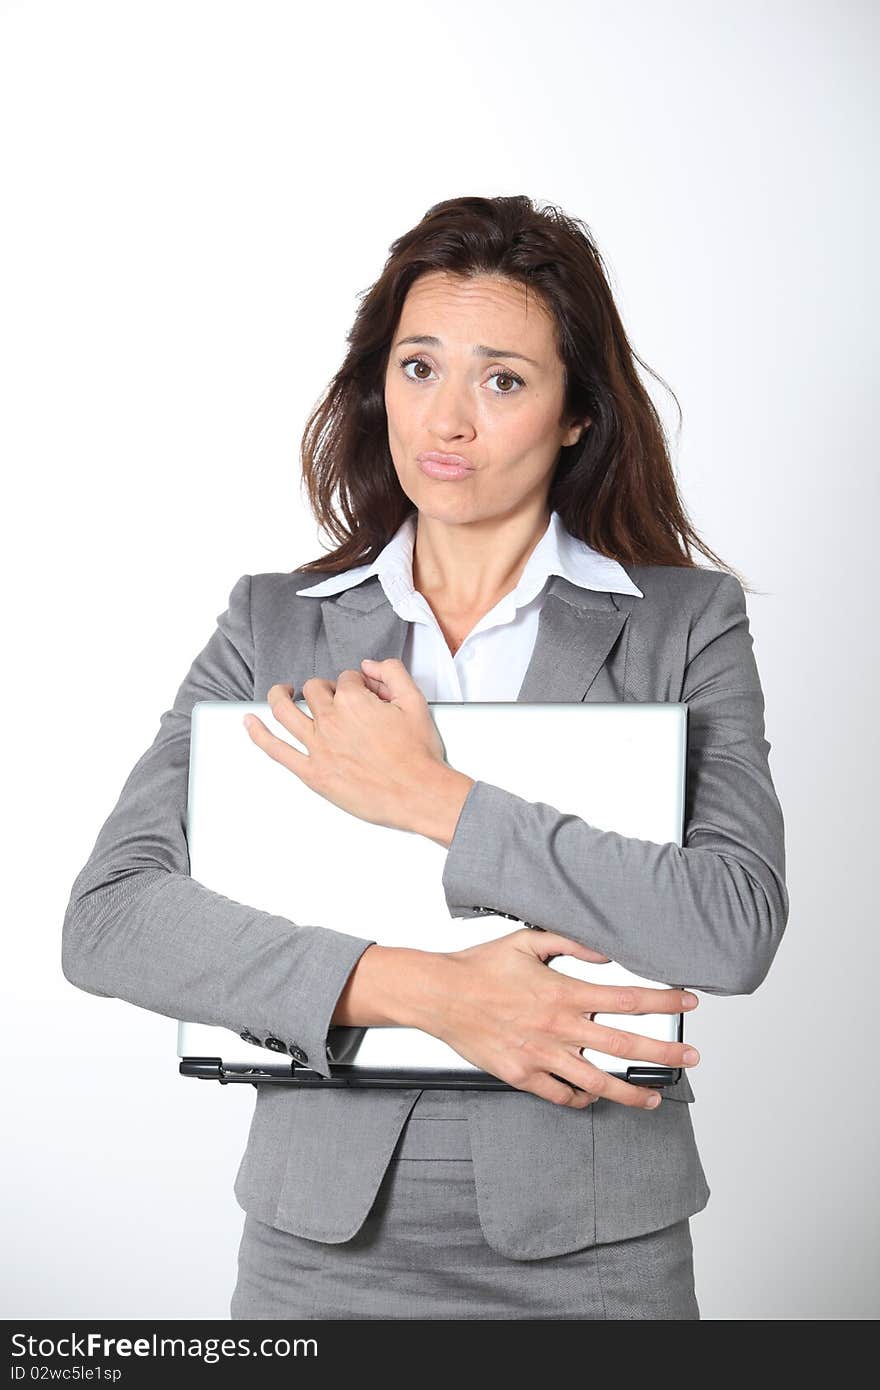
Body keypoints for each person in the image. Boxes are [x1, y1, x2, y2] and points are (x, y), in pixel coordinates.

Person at [61, 194, 788, 1320]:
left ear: (575, 415)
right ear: (376, 384)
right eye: (417, 368)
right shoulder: (275, 625)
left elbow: (732, 924)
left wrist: (436, 799)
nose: (446, 419)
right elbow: (109, 917)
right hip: (322, 1246)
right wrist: (424, 992)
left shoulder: (682, 624)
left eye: (501, 379)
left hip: (597, 1247)